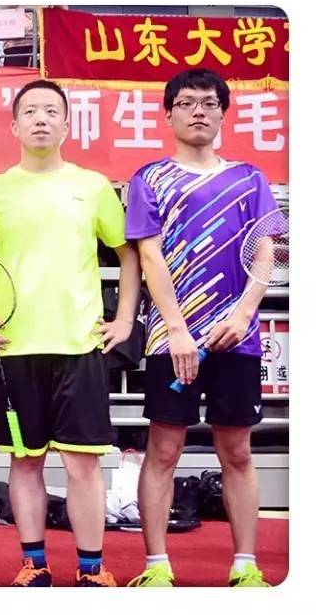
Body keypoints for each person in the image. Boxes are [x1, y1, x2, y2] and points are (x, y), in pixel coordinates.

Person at [0, 79, 141, 587]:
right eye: (30, 111)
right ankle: (35, 565)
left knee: (83, 466)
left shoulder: (93, 187)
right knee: (25, 463)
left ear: (67, 124)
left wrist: (124, 320)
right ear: (15, 125)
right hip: (14, 350)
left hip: (79, 346)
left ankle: (92, 570)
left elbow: (128, 253)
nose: (41, 119)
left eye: (51, 111)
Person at [124, 68, 278, 588]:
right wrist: (177, 328)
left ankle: (246, 566)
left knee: (237, 451)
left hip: (238, 338)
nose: (198, 111)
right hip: (172, 339)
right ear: (168, 114)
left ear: (223, 114)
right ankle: (156, 567)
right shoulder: (149, 180)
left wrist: (244, 313)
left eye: (209, 103)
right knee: (163, 449)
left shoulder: (250, 179)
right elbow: (149, 256)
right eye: (187, 102)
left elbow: (266, 251)